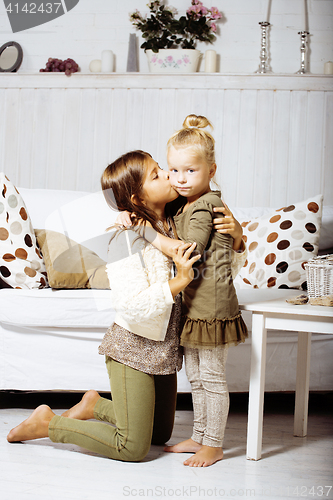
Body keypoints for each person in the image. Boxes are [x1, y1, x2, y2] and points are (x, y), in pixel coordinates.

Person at [6, 150, 201, 462]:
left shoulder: (173, 222)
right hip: (133, 350)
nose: (168, 174)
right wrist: (180, 281)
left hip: (162, 349)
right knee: (133, 446)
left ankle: (94, 404)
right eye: (156, 174)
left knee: (159, 434)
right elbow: (132, 306)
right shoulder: (127, 240)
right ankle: (47, 423)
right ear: (138, 199)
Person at [161, 114, 248, 467]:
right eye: (174, 170)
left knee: (211, 376)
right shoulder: (187, 202)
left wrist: (150, 235)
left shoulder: (205, 205)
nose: (181, 178)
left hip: (211, 306)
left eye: (190, 171)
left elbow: (191, 248)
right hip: (197, 304)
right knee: (195, 374)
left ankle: (214, 443)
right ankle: (199, 435)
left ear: (211, 170)